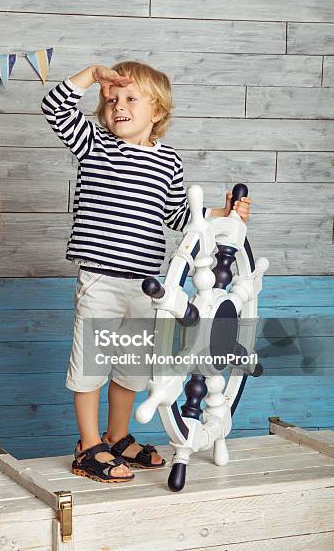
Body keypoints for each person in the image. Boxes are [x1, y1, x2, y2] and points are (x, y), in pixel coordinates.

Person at [41, 61, 251, 483]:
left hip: (147, 284)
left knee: (132, 368)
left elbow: (177, 216)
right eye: (112, 99)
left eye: (130, 98)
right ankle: (88, 447)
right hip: (100, 279)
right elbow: (54, 107)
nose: (118, 105)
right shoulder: (94, 143)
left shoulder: (168, 161)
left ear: (157, 111)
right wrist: (92, 76)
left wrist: (223, 212)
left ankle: (117, 437)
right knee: (91, 367)